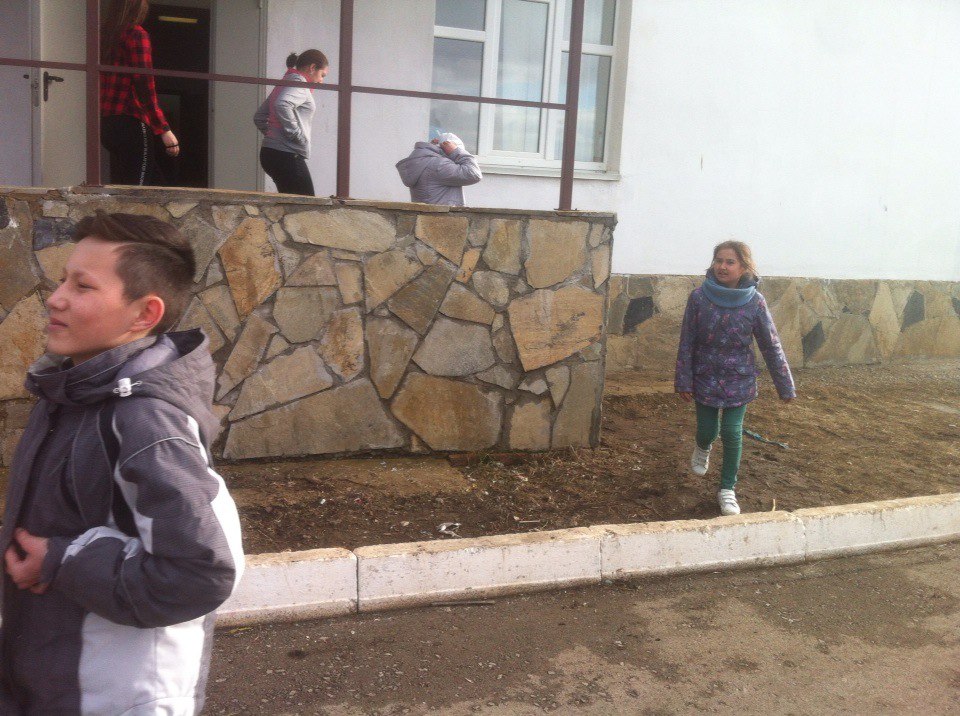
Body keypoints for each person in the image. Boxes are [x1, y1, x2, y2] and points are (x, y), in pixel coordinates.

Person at [0, 212, 244, 714]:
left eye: (82, 286)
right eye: (62, 280)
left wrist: (62, 561)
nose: (55, 298)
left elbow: (199, 573)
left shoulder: (146, 421)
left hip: (114, 699)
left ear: (144, 314)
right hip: (48, 677)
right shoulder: (70, 394)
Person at [674, 240, 795, 516]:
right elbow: (687, 340)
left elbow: (770, 345)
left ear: (743, 267)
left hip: (739, 379)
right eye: (719, 260)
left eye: (730, 262)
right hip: (705, 376)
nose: (722, 266)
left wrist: (785, 385)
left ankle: (727, 489)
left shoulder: (755, 301)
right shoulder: (698, 298)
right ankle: (703, 446)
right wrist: (683, 380)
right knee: (708, 430)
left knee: (731, 431)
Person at [100, 0, 180, 185]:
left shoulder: (104, 36)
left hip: (107, 122)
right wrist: (164, 129)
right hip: (131, 121)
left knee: (152, 183)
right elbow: (144, 83)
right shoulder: (136, 34)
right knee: (138, 188)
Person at [254, 49, 329, 196]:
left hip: (270, 153)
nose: (321, 80)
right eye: (322, 75)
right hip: (287, 155)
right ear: (312, 68)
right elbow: (282, 104)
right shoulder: (299, 84)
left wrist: (274, 136)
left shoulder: (286, 82)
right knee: (306, 205)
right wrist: (296, 136)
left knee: (291, 204)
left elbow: (259, 117)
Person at [395, 132, 482, 206]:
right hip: (441, 218)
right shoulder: (439, 165)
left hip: (427, 216)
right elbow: (474, 174)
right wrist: (456, 152)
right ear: (447, 150)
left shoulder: (424, 161)